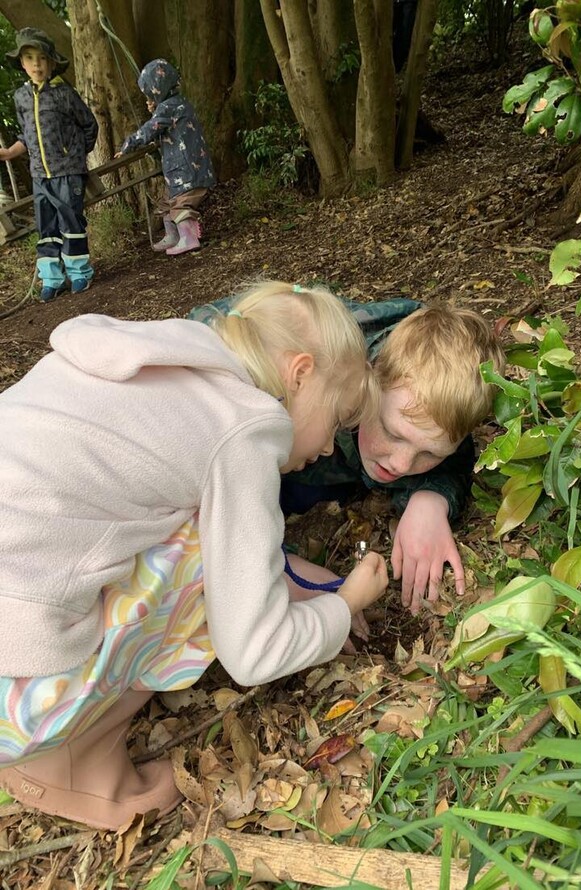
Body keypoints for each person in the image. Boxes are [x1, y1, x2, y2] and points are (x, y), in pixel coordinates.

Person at [0, 281, 388, 831]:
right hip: (12, 703)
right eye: (338, 418)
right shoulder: (245, 427)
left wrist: (287, 575)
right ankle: (74, 765)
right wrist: (343, 606)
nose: (329, 447)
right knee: (207, 551)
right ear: (300, 374)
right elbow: (253, 652)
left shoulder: (168, 357)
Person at [191, 297, 505, 616]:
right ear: (370, 376)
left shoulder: (432, 407)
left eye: (429, 453)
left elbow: (458, 460)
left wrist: (432, 500)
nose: (401, 464)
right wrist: (278, 565)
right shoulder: (308, 366)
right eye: (393, 433)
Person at [0, 28, 98, 302]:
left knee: (71, 222)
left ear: (52, 62)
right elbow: (26, 136)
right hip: (39, 175)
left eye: (42, 58)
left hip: (67, 172)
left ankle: (79, 273)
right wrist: (9, 153)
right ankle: (52, 278)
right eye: (30, 58)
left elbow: (89, 125)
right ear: (22, 63)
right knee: (47, 228)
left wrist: (74, 155)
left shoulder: (64, 94)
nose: (36, 64)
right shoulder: (21, 97)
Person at [115, 59, 215, 256]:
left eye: (149, 93)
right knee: (167, 201)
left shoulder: (168, 107)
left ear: (157, 89)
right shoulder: (179, 103)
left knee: (180, 202)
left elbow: (151, 129)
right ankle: (176, 235)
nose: (149, 98)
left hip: (185, 169)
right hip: (188, 167)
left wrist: (129, 144)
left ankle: (188, 238)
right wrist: (156, 111)